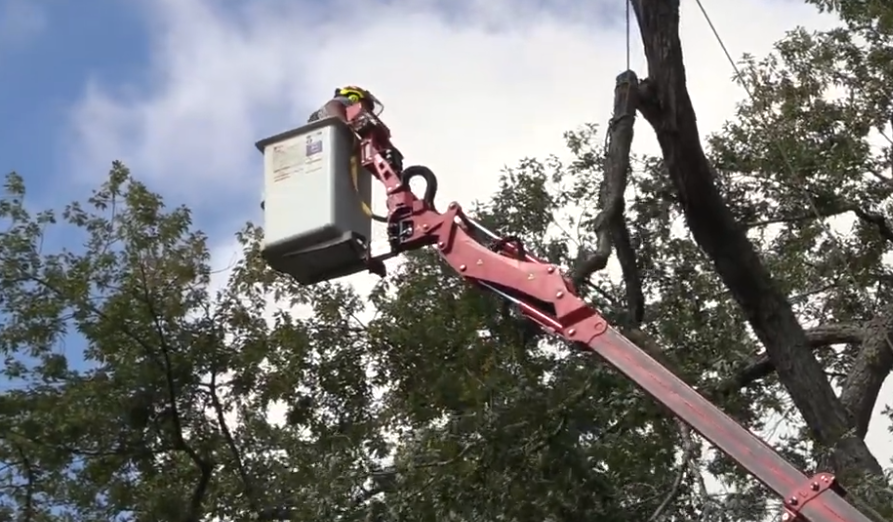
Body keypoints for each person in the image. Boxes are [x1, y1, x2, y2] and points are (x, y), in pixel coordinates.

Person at [307, 85, 384, 123]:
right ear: (354, 97)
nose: (365, 111)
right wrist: (344, 123)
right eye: (365, 106)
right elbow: (333, 106)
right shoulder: (343, 101)